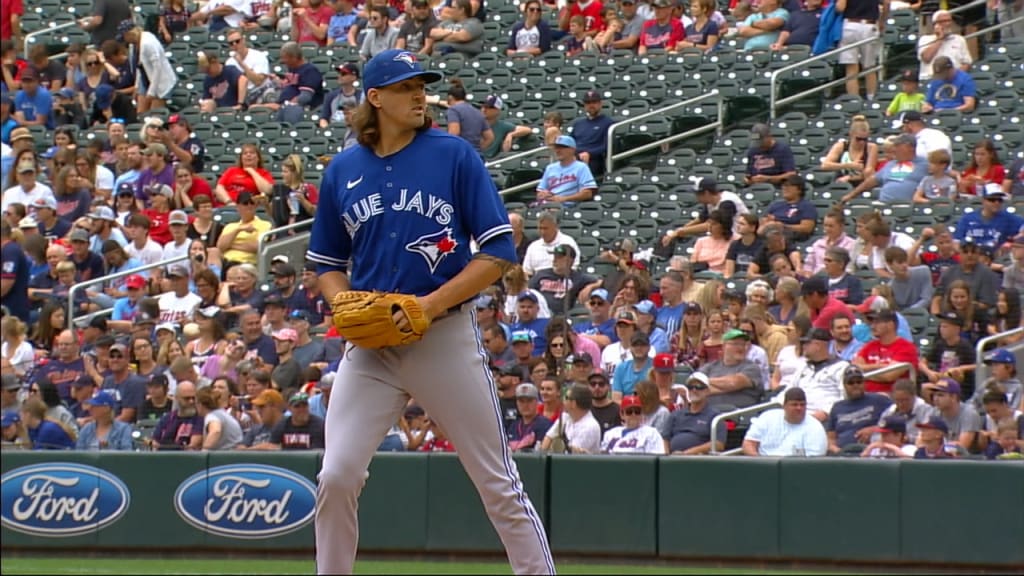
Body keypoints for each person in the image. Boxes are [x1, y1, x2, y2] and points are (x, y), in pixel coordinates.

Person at [306, 50, 554, 574]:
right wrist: (341, 300)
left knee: (498, 482)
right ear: (375, 98)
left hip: (442, 337)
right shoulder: (343, 169)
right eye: (405, 86)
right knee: (337, 475)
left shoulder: (454, 155)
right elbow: (326, 264)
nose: (420, 94)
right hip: (371, 347)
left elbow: (497, 253)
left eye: (422, 84)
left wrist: (429, 304)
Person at [839, 134, 928, 204]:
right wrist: (851, 195)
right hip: (883, 203)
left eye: (898, 146)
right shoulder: (891, 164)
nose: (894, 149)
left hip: (907, 205)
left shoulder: (925, 164)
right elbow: (871, 181)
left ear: (910, 147)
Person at [825, 365, 892, 453]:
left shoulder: (879, 400)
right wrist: (837, 451)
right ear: (844, 385)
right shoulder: (837, 407)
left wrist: (874, 429)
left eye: (859, 382)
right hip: (843, 454)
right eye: (851, 382)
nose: (855, 385)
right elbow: (831, 438)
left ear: (864, 383)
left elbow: (896, 421)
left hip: (872, 452)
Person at [742, 387, 827, 456]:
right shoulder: (767, 417)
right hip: (764, 466)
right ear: (784, 406)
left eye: (802, 405)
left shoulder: (815, 427)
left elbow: (815, 460)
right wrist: (758, 461)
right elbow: (749, 443)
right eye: (794, 404)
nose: (799, 408)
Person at [535, 135, 596, 207]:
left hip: (567, 207)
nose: (558, 150)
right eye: (556, 147)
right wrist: (541, 194)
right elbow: (540, 191)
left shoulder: (581, 167)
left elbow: (588, 193)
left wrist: (564, 199)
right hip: (547, 204)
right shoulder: (550, 168)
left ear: (572, 149)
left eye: (562, 147)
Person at [916, 10, 971, 82]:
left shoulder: (960, 40)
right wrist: (940, 39)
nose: (948, 24)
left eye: (949, 20)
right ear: (935, 24)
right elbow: (926, 58)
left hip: (954, 80)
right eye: (943, 21)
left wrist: (955, 76)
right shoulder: (925, 39)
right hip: (930, 79)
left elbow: (967, 63)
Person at [570, 90, 613, 177]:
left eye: (594, 102)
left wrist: (590, 153)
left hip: (594, 160)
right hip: (575, 158)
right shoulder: (578, 124)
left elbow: (607, 146)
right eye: (588, 103)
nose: (591, 105)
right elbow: (570, 142)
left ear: (600, 104)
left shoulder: (608, 123)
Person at [744, 123, 796, 187]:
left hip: (777, 188)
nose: (760, 145)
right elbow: (748, 174)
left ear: (769, 136)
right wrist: (748, 180)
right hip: (755, 188)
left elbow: (791, 175)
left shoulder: (782, 149)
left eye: (761, 142)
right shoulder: (753, 151)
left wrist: (768, 179)